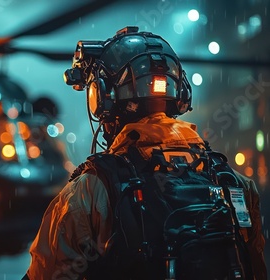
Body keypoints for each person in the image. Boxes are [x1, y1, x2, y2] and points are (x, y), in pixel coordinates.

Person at [23, 26, 266, 280]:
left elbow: (46, 273)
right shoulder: (235, 184)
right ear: (180, 94)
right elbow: (256, 269)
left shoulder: (91, 192)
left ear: (102, 98)